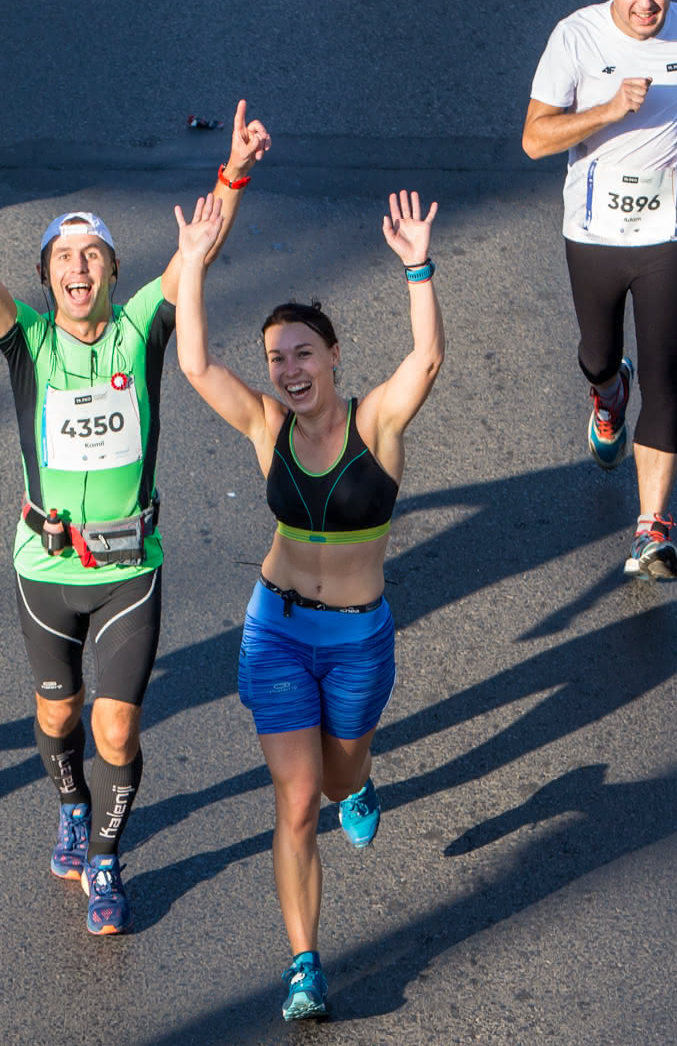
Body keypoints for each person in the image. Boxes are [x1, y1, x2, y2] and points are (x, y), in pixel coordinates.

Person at [0, 102, 271, 935]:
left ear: (110, 269)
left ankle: (105, 858)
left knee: (117, 722)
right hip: (46, 569)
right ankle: (69, 802)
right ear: (48, 276)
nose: (78, 267)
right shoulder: (28, 340)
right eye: (63, 256)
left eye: (91, 253)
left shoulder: (139, 329)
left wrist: (233, 171)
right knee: (59, 716)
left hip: (130, 568)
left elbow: (195, 249)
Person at [174, 190, 444, 1019]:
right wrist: (192, 265)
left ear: (332, 356)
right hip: (277, 632)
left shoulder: (377, 424)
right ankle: (304, 964)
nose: (287, 370)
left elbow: (426, 359)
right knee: (294, 800)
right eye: (276, 358)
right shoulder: (264, 425)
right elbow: (193, 365)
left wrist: (417, 269)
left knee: (337, 781)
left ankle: (359, 786)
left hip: (359, 640)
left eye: (302, 354)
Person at [522, 0, 677, 579]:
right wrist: (609, 109)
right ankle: (609, 392)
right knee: (598, 357)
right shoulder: (577, 36)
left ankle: (652, 531)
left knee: (665, 370)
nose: (647, 2)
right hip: (593, 234)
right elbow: (535, 137)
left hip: (670, 230)